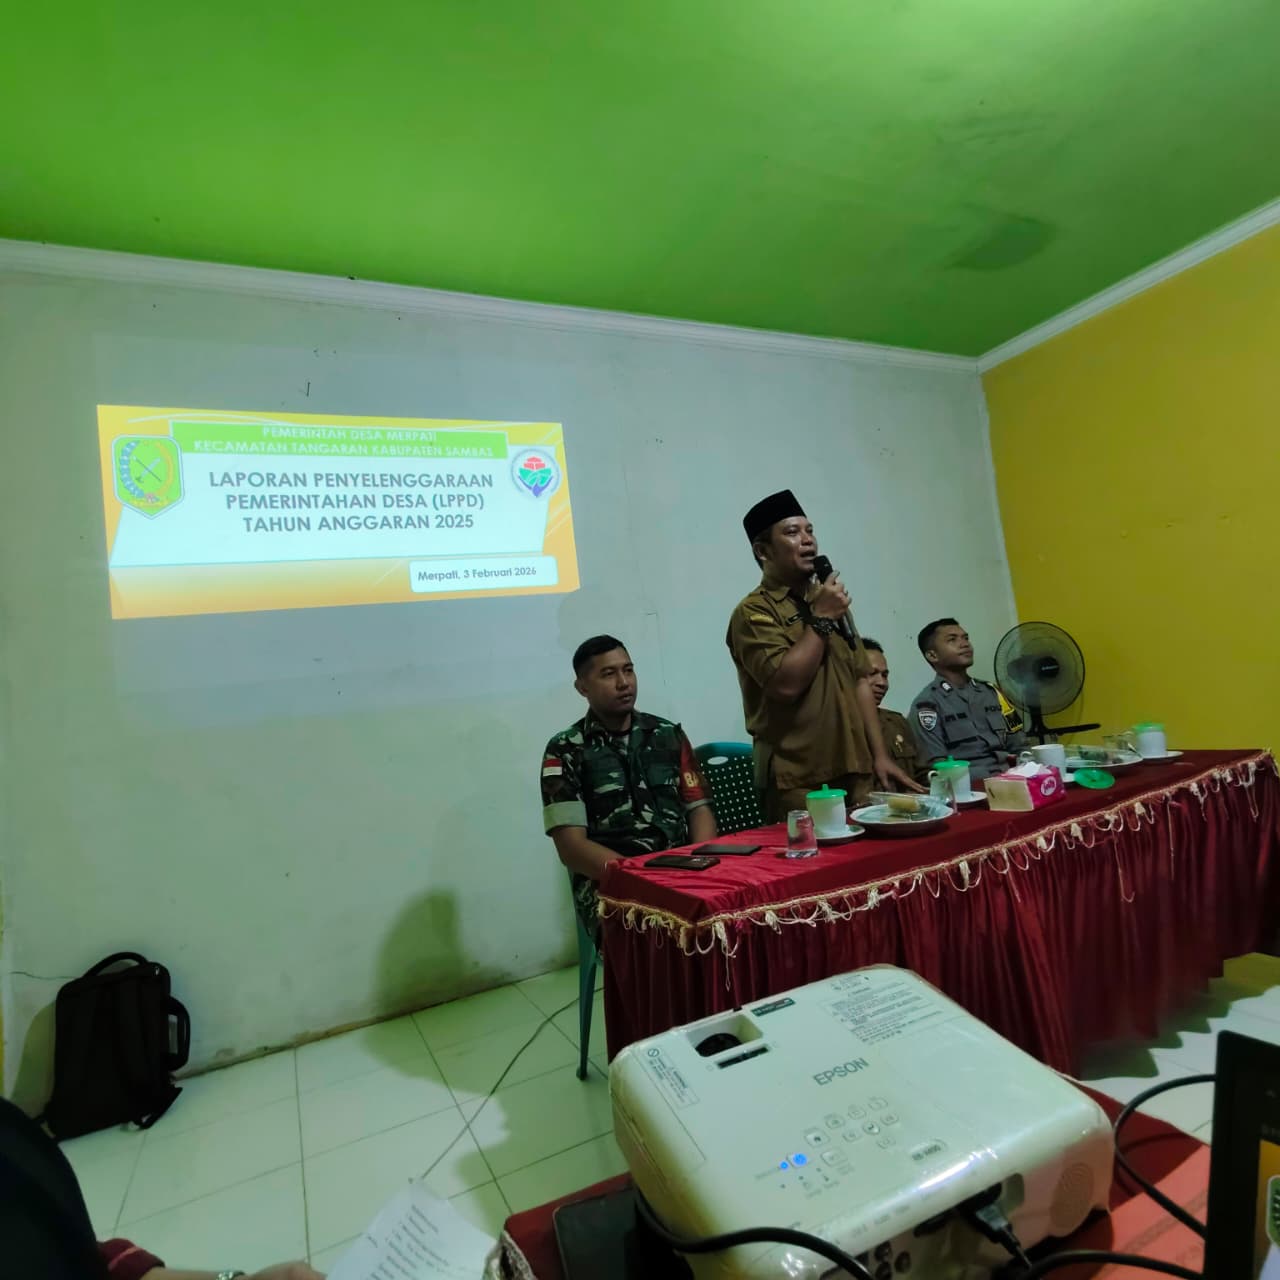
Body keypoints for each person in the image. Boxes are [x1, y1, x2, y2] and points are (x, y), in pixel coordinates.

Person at [726, 490, 921, 821]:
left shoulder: (828, 601)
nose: (807, 540)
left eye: (810, 531)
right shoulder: (754, 612)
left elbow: (860, 678)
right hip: (799, 779)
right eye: (792, 532)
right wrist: (821, 618)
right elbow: (785, 685)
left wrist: (880, 756)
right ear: (763, 551)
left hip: (857, 769)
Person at [541, 635, 717, 935]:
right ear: (582, 687)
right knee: (662, 936)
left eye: (628, 670)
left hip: (684, 871)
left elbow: (700, 810)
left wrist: (698, 862)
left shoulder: (667, 734)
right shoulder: (566, 750)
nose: (624, 683)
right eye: (608, 674)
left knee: (737, 921)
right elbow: (571, 848)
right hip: (612, 886)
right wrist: (643, 880)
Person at [909, 618, 1027, 781]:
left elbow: (1020, 745)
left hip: (1012, 778)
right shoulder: (927, 705)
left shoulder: (992, 692)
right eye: (952, 640)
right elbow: (936, 767)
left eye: (965, 638)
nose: (964, 644)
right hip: (970, 785)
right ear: (932, 655)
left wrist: (1030, 769)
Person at [861, 637, 925, 786]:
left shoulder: (896, 723)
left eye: (885, 675)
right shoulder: (836, 728)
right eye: (871, 673)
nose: (882, 683)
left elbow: (922, 772)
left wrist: (936, 780)